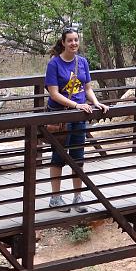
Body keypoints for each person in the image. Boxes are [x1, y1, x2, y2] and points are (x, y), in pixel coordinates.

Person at [44, 27, 109, 213]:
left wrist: (96, 103)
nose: (74, 43)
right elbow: (54, 93)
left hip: (81, 114)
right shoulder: (54, 64)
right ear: (63, 42)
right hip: (61, 115)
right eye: (70, 40)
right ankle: (55, 198)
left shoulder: (82, 62)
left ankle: (77, 197)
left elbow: (87, 88)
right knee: (59, 156)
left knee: (78, 156)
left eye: (76, 40)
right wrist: (75, 105)